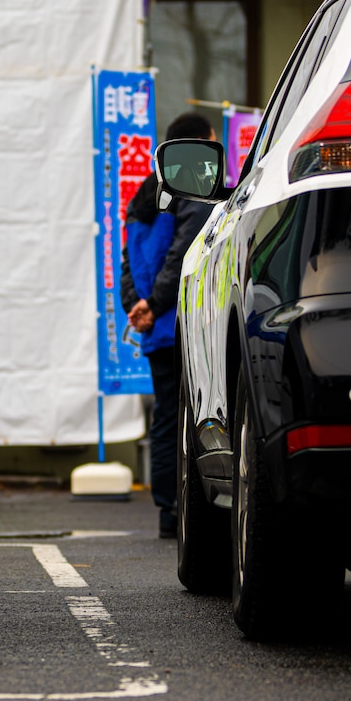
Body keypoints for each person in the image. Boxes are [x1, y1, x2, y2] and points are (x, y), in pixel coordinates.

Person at [120, 111, 217, 538]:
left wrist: (136, 306)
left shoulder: (144, 193)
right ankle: (187, 508)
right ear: (198, 144)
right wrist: (156, 304)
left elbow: (127, 262)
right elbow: (184, 253)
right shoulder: (190, 187)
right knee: (195, 414)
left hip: (153, 327)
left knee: (165, 417)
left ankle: (168, 510)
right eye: (211, 143)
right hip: (181, 322)